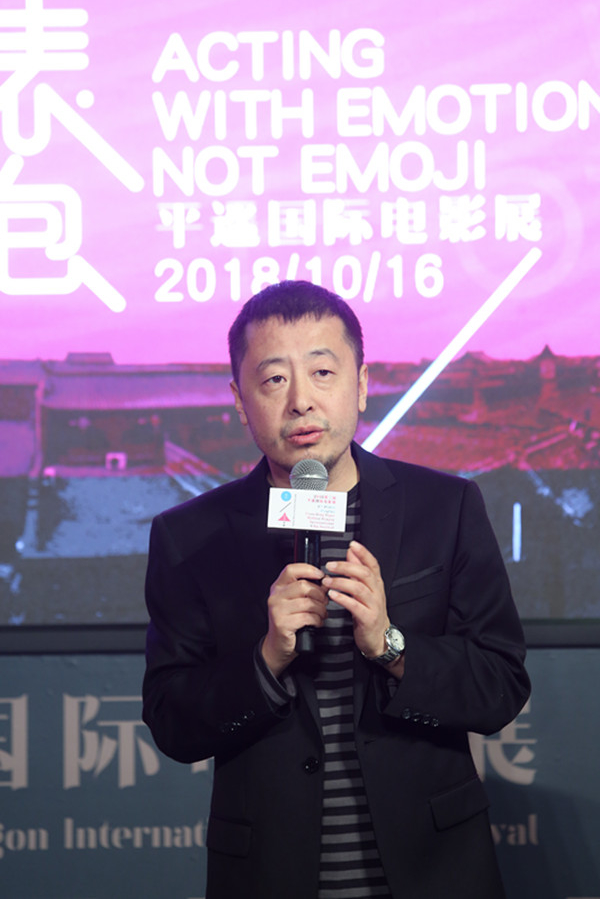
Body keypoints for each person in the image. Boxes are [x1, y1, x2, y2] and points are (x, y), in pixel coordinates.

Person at [142, 280, 530, 899]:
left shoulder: (446, 507)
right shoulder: (188, 537)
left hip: (433, 871)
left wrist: (390, 644)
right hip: (271, 876)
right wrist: (267, 658)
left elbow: (500, 685)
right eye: (274, 379)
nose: (301, 401)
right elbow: (172, 722)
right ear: (240, 400)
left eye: (322, 372)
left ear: (362, 383)